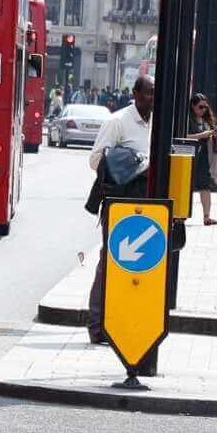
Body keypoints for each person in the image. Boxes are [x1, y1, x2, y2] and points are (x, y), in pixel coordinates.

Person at [85, 75, 154, 345]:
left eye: (154, 93)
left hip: (147, 205)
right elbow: (94, 161)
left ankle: (124, 322)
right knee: (110, 262)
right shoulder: (118, 122)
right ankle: (97, 325)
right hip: (120, 203)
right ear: (135, 94)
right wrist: (130, 161)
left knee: (138, 267)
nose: (151, 98)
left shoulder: (157, 122)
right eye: (147, 93)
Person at [184, 93, 217, 226]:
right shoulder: (187, 119)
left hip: (204, 158)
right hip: (189, 156)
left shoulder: (207, 121)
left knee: (205, 186)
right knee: (186, 185)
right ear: (192, 106)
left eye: (205, 107)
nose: (203, 110)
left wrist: (215, 133)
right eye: (200, 107)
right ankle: (181, 214)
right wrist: (201, 135)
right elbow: (183, 136)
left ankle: (207, 217)